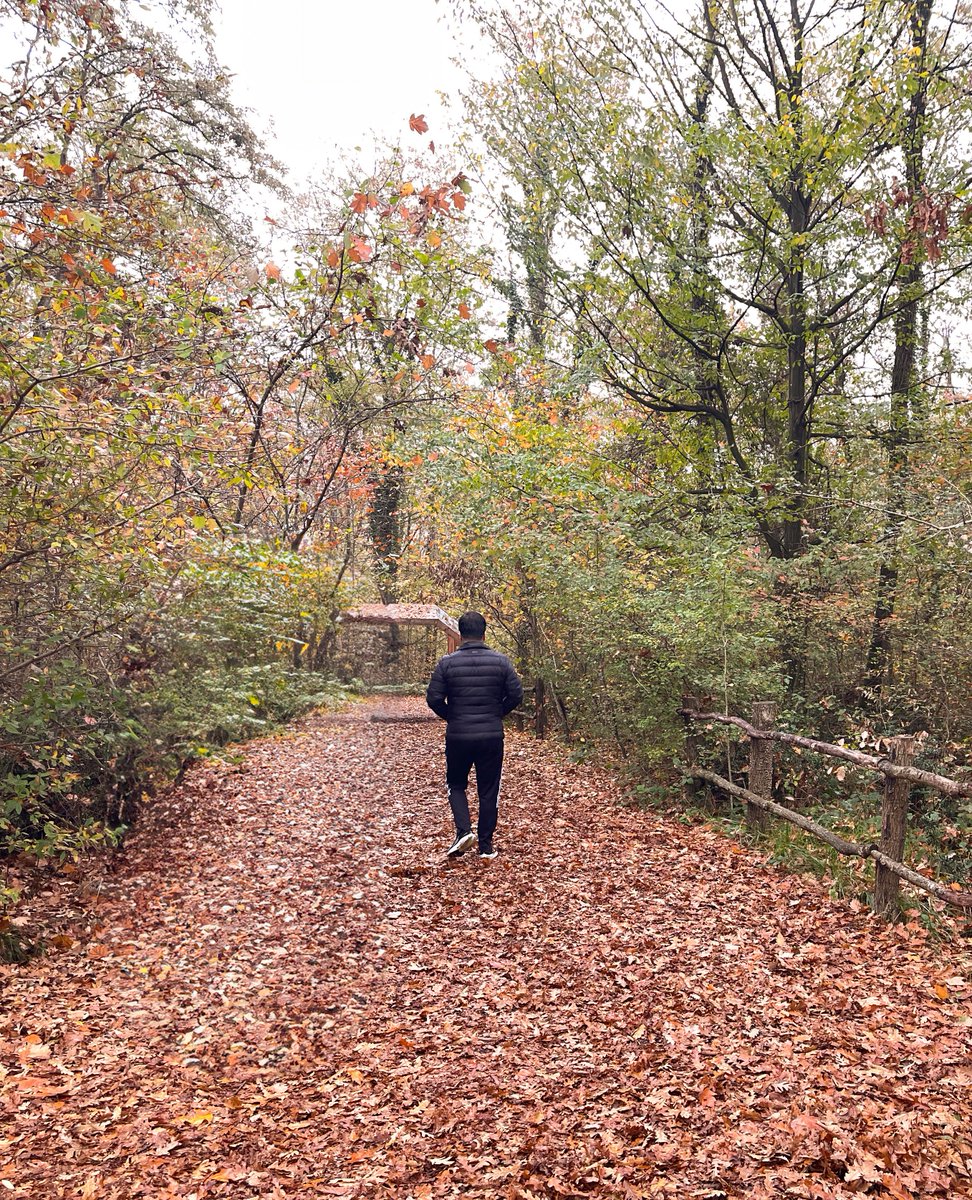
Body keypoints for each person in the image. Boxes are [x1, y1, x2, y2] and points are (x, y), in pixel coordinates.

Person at [425, 611, 523, 860]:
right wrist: (497, 713)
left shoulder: (446, 663)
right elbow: (516, 694)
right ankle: (486, 846)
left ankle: (463, 831)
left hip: (458, 736)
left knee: (456, 784)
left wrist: (452, 717)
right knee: (489, 788)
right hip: (491, 736)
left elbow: (433, 698)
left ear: (460, 634)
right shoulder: (501, 662)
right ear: (484, 632)